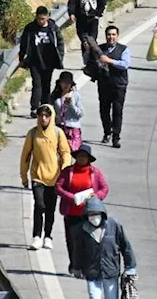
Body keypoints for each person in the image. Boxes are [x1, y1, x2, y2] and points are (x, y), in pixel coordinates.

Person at [21, 103, 71, 251]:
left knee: (50, 208)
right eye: (41, 115)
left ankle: (48, 236)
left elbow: (65, 152)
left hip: (55, 177)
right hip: (38, 176)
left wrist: (65, 168)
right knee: (39, 205)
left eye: (46, 116)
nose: (43, 118)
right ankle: (37, 236)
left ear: (51, 117)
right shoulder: (32, 133)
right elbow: (25, 156)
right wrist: (24, 176)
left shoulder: (58, 133)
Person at [56, 143, 109, 277]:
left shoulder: (95, 172)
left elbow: (104, 188)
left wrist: (95, 198)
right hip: (71, 213)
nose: (81, 159)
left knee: (88, 241)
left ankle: (86, 268)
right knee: (72, 241)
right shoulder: (68, 171)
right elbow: (58, 186)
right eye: (79, 156)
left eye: (84, 157)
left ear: (88, 159)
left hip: (88, 214)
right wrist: (71, 197)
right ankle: (74, 265)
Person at [19, 5, 64, 115]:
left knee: (46, 84)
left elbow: (60, 42)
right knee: (37, 84)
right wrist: (22, 58)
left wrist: (60, 57)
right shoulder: (30, 28)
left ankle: (45, 106)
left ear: (48, 17)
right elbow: (24, 44)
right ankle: (34, 108)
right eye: (39, 18)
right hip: (34, 60)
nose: (40, 21)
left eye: (43, 19)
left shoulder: (53, 28)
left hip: (49, 61)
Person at [92, 25, 129, 149]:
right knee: (104, 110)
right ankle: (107, 132)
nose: (111, 37)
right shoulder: (99, 49)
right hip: (104, 84)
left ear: (117, 36)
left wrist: (110, 61)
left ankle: (116, 137)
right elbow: (89, 62)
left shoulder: (124, 49)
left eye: (113, 35)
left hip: (119, 85)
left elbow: (125, 64)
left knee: (117, 111)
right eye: (109, 34)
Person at [52, 71, 84, 152]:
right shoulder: (55, 95)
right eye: (63, 82)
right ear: (59, 83)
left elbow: (80, 114)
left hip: (72, 129)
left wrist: (71, 105)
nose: (66, 85)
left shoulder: (76, 95)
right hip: (58, 127)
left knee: (71, 153)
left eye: (68, 83)